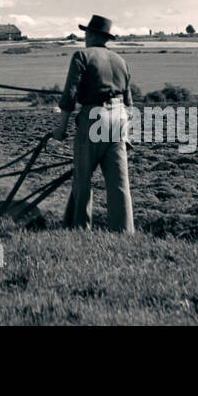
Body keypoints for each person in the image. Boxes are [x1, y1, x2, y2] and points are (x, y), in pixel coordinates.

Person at [51, 14, 134, 233]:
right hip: (120, 119)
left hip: (94, 117)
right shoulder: (121, 61)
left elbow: (69, 97)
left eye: (86, 33)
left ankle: (80, 229)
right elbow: (130, 104)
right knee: (119, 183)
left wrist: (60, 129)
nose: (85, 36)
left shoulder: (82, 55)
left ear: (92, 35)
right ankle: (123, 231)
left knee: (83, 178)